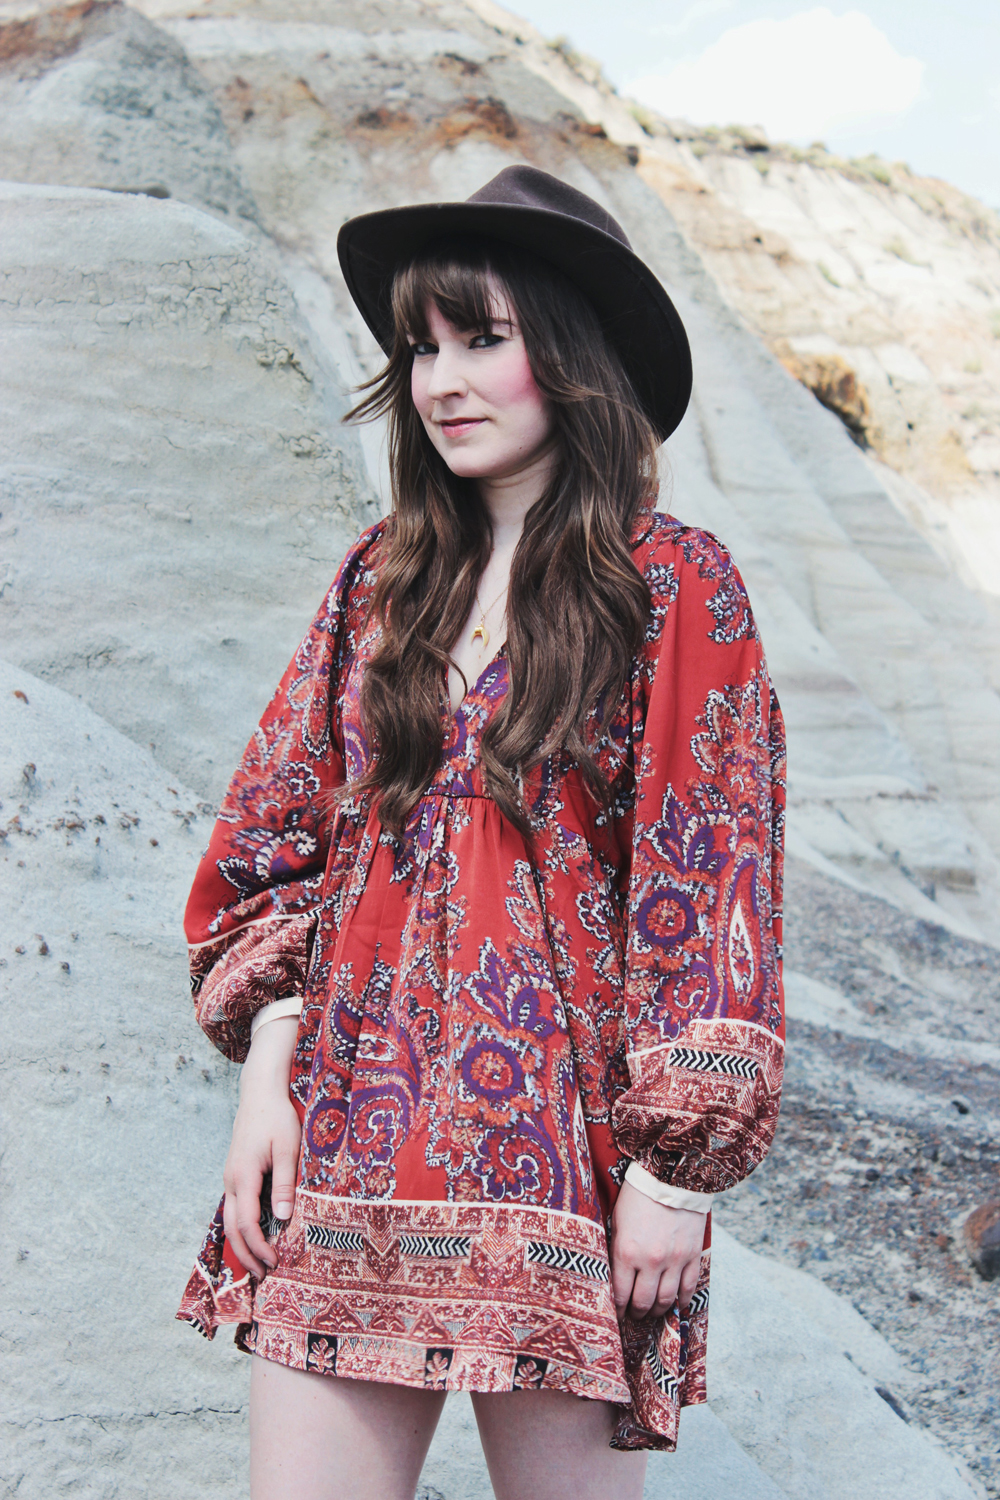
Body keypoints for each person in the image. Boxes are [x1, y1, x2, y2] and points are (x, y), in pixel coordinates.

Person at [177, 166, 786, 1500]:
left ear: (572, 355)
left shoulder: (674, 585)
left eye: (482, 339)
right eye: (421, 347)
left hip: (567, 1161)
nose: (441, 381)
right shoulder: (377, 583)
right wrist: (266, 1075)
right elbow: (278, 847)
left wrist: (677, 1177)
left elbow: (712, 877)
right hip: (347, 1136)